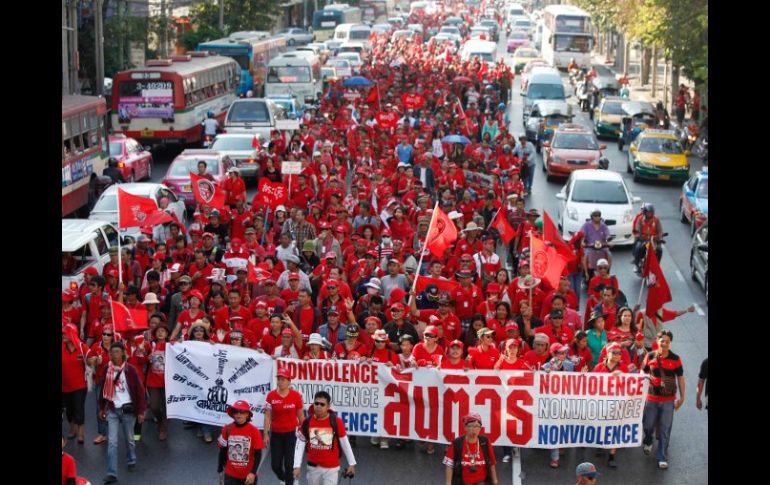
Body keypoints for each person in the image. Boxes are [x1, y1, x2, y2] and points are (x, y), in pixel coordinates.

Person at [99, 342, 147, 484]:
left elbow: (139, 391)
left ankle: (131, 459)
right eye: (112, 352)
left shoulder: (130, 370)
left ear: (123, 354)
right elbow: (102, 389)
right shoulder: (106, 369)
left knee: (130, 440)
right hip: (112, 409)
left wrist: (141, 411)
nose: (114, 355)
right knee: (112, 442)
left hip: (128, 410)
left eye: (117, 352)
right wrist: (102, 408)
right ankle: (111, 472)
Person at [641, 330, 685, 470]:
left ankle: (662, 457)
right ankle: (648, 440)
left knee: (665, 429)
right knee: (647, 425)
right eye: (662, 341)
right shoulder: (650, 356)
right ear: (657, 341)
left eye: (667, 341)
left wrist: (682, 397)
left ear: (670, 343)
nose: (664, 343)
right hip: (651, 398)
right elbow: (643, 372)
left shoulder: (676, 359)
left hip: (668, 400)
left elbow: (680, 378)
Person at [293, 391, 357, 485]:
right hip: (313, 468)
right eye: (316, 403)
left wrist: (352, 463)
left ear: (328, 406)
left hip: (331, 468)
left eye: (322, 404)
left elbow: (345, 443)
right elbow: (300, 444)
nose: (319, 406)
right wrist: (296, 466)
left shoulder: (336, 422)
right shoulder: (307, 422)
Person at [264, 369, 305, 485]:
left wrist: (306, 433)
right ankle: (285, 479)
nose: (280, 382)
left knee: (289, 465)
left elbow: (301, 416)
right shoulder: (271, 395)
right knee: (275, 465)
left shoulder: (296, 396)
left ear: (289, 381)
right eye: (279, 379)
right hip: (276, 435)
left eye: (283, 380)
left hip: (291, 435)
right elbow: (267, 416)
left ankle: (290, 481)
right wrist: (265, 434)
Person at [443, 412, 499, 485]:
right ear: (465, 428)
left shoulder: (485, 441)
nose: (474, 429)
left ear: (480, 428)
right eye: (470, 426)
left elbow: (492, 462)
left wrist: (495, 481)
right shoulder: (457, 443)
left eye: (477, 426)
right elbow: (449, 465)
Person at [218, 400, 264, 485]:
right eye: (236, 411)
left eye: (242, 412)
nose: (238, 414)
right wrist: (220, 469)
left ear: (247, 414)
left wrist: (253, 473)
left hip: (248, 475)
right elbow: (222, 450)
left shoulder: (254, 431)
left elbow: (258, 454)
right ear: (233, 414)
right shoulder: (226, 428)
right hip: (230, 474)